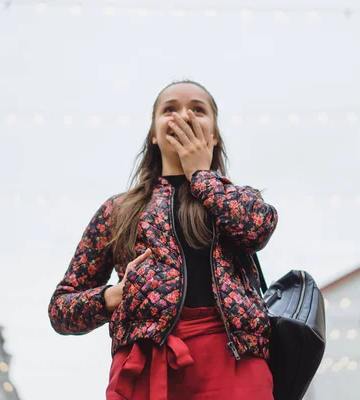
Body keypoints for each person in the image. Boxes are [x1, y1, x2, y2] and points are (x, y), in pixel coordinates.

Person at [48, 80, 278, 399]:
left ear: (213, 136)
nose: (183, 116)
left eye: (198, 109)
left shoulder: (238, 199)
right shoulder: (118, 211)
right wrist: (113, 296)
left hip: (233, 362)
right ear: (154, 135)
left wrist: (201, 176)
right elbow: (60, 310)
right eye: (169, 109)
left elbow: (256, 229)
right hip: (144, 367)